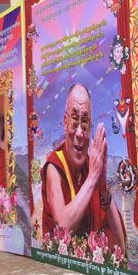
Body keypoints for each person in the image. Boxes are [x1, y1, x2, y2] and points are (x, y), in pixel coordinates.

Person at [41, 83, 125, 250]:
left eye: (85, 122)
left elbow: (121, 244)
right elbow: (61, 230)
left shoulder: (91, 166)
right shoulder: (54, 168)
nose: (79, 132)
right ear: (65, 123)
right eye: (74, 121)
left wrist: (102, 188)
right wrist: (93, 177)